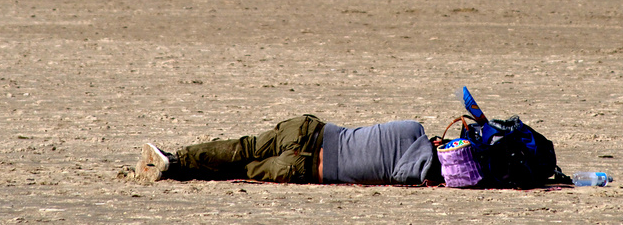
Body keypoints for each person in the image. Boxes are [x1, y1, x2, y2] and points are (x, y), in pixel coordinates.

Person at [136, 114, 443, 186]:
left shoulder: (412, 128)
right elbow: (413, 174)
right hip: (305, 168)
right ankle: (174, 169)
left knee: (244, 148)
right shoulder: (410, 171)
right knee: (242, 170)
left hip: (310, 131)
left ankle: (176, 158)